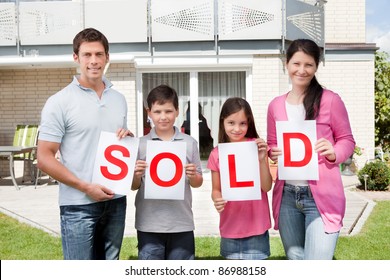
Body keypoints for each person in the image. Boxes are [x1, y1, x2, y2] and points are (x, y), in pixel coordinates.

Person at [37, 28, 133, 260]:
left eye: (99, 54)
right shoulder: (59, 102)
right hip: (78, 206)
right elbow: (44, 157)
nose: (94, 61)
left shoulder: (118, 99)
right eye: (87, 55)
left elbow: (118, 146)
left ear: (107, 57)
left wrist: (127, 139)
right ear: (76, 58)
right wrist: (85, 187)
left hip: (115, 200)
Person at [267, 39, 356, 260]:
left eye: (309, 64)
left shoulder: (330, 100)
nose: (302, 70)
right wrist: (273, 152)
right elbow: (271, 144)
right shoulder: (276, 105)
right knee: (296, 261)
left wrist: (334, 151)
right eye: (296, 63)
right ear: (286, 64)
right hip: (288, 195)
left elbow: (347, 140)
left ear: (316, 66)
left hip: (321, 196)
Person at [131, 84, 203, 260]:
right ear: (149, 113)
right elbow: (134, 186)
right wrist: (136, 174)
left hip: (181, 222)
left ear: (177, 111)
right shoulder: (140, 144)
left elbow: (198, 182)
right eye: (157, 112)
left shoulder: (189, 142)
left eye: (168, 111)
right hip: (149, 223)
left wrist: (193, 176)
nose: (163, 117)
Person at [207, 97, 273, 260]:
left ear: (249, 123)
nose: (237, 128)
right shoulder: (216, 154)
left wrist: (262, 159)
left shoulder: (257, 147)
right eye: (231, 123)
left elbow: (266, 187)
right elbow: (216, 189)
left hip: (257, 227)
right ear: (223, 122)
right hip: (230, 226)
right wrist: (217, 199)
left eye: (242, 123)